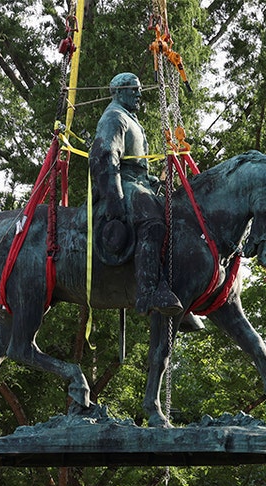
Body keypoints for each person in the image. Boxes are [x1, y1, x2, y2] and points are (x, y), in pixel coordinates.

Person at [90, 72, 200, 329]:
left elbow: (140, 166)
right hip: (123, 184)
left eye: (139, 89)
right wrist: (114, 196)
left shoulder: (130, 119)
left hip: (138, 182)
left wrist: (155, 184)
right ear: (118, 91)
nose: (139, 94)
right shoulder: (114, 117)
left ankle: (176, 289)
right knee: (153, 223)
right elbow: (105, 156)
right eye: (133, 89)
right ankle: (149, 291)